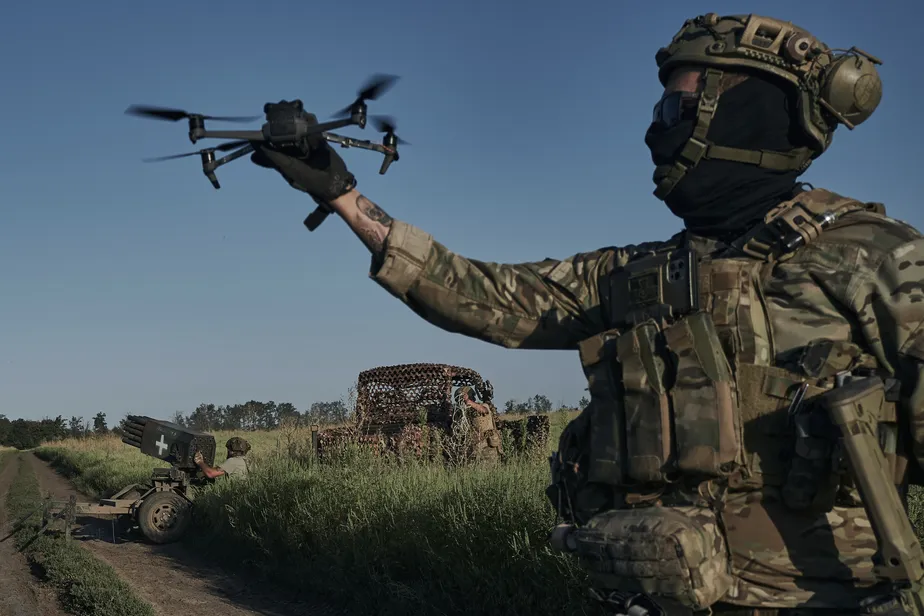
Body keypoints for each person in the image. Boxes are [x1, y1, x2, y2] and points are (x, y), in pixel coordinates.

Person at [249, 13, 924, 615]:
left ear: (748, 111)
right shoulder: (640, 276)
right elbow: (481, 295)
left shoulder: (874, 257)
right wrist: (342, 196)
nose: (656, 129)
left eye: (676, 106)